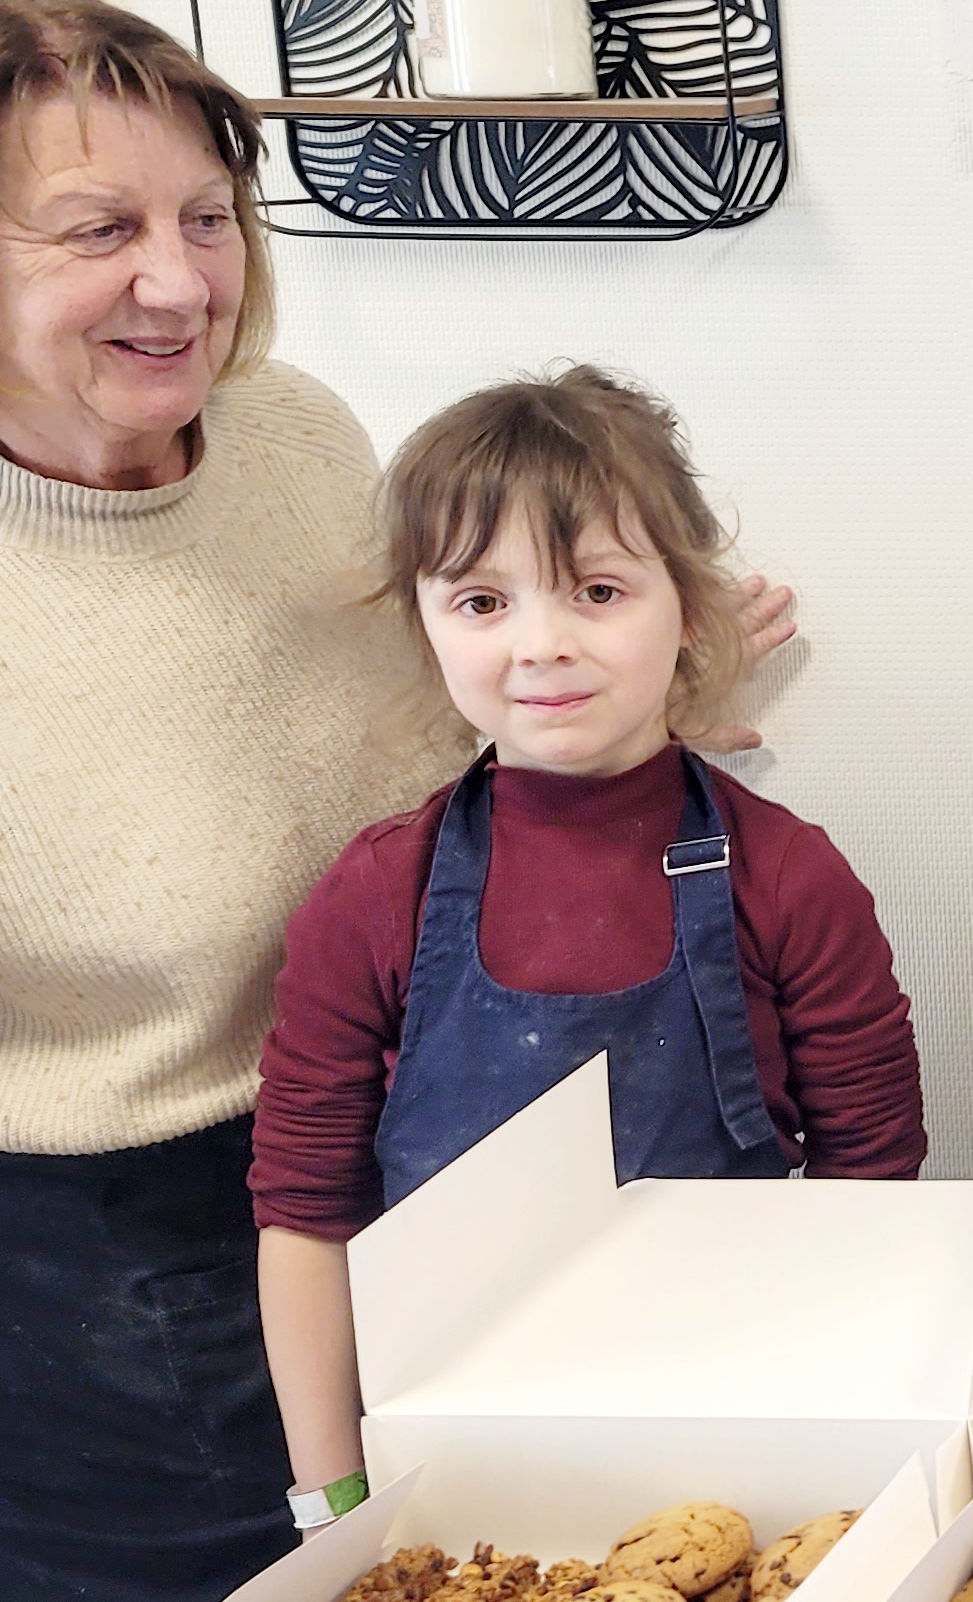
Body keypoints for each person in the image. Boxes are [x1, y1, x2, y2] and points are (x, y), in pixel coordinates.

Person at [0, 0, 467, 1602]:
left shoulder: (292, 435)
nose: (180, 279)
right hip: (92, 1280)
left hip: (381, 1166)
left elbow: (394, 740)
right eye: (98, 229)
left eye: (206, 214)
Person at [250, 370, 926, 1506]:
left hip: (746, 1449)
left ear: (689, 608)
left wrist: (840, 1460)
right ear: (423, 624)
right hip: (451, 1472)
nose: (541, 644)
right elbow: (308, 1217)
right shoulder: (374, 896)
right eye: (481, 602)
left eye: (598, 591)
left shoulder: (791, 879)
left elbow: (875, 1184)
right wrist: (334, 1502)